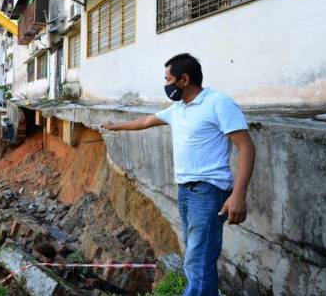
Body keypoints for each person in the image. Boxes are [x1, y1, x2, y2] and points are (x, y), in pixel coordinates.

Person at [102, 53, 255, 296]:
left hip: (208, 193)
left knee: (199, 260)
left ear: (184, 79)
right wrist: (116, 126)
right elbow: (145, 121)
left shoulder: (217, 103)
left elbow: (246, 146)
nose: (165, 85)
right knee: (195, 257)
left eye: (168, 79)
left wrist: (239, 194)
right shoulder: (178, 109)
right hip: (185, 191)